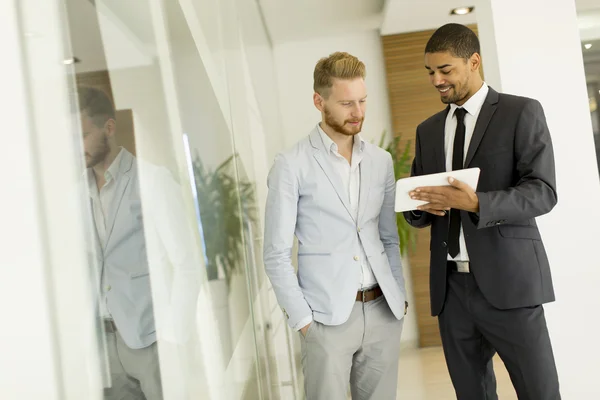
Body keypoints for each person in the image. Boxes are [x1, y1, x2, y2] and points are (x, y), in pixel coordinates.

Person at [404, 23, 560, 399]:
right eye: (430, 72)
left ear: (474, 61)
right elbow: (416, 204)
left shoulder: (520, 112)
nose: (436, 80)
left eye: (445, 70)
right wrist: (419, 208)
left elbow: (542, 191)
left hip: (511, 284)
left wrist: (476, 203)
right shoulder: (427, 130)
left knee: (539, 391)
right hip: (452, 290)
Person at [263, 52, 407, 399]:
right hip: (325, 319)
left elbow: (388, 237)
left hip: (382, 312)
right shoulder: (291, 164)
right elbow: (276, 254)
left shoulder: (380, 161)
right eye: (346, 103)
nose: (358, 112)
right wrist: (304, 323)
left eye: (362, 101)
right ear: (319, 101)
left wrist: (398, 299)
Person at [79, 86, 163, 399]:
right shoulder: (73, 192)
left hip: (148, 336)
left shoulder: (151, 179)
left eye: (83, 135)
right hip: (102, 342)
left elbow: (185, 262)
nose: (77, 146)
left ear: (109, 128)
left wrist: (175, 335)